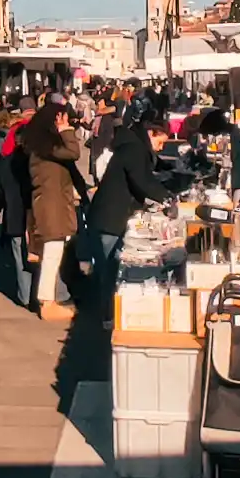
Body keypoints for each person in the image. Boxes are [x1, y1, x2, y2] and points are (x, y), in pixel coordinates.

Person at [85, 102, 174, 325]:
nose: (161, 148)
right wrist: (166, 197)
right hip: (110, 218)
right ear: (151, 133)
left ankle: (108, 313)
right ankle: (108, 317)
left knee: (110, 270)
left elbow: (145, 175)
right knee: (110, 271)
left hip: (110, 215)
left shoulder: (133, 145)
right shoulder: (134, 149)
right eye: (160, 142)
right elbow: (142, 180)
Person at [21, 99, 85, 318]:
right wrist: (66, 130)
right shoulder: (46, 146)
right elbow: (74, 152)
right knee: (52, 254)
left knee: (52, 253)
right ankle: (47, 302)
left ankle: (48, 300)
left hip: (50, 203)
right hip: (51, 205)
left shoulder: (39, 145)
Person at [0, 119, 33, 307]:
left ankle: (24, 296)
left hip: (14, 216)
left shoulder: (3, 164)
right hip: (34, 215)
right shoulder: (35, 162)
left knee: (20, 258)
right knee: (39, 257)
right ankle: (39, 295)